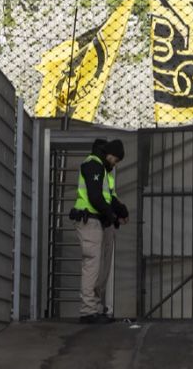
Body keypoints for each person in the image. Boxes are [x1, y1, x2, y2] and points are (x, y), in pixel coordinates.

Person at [70, 138, 129, 324]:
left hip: (97, 221)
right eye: (116, 159)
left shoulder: (103, 170)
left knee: (98, 267)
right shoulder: (94, 166)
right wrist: (111, 215)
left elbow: (108, 197)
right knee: (92, 265)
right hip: (90, 220)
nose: (115, 163)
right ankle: (88, 310)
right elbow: (96, 197)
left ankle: (94, 308)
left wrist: (119, 211)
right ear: (109, 154)